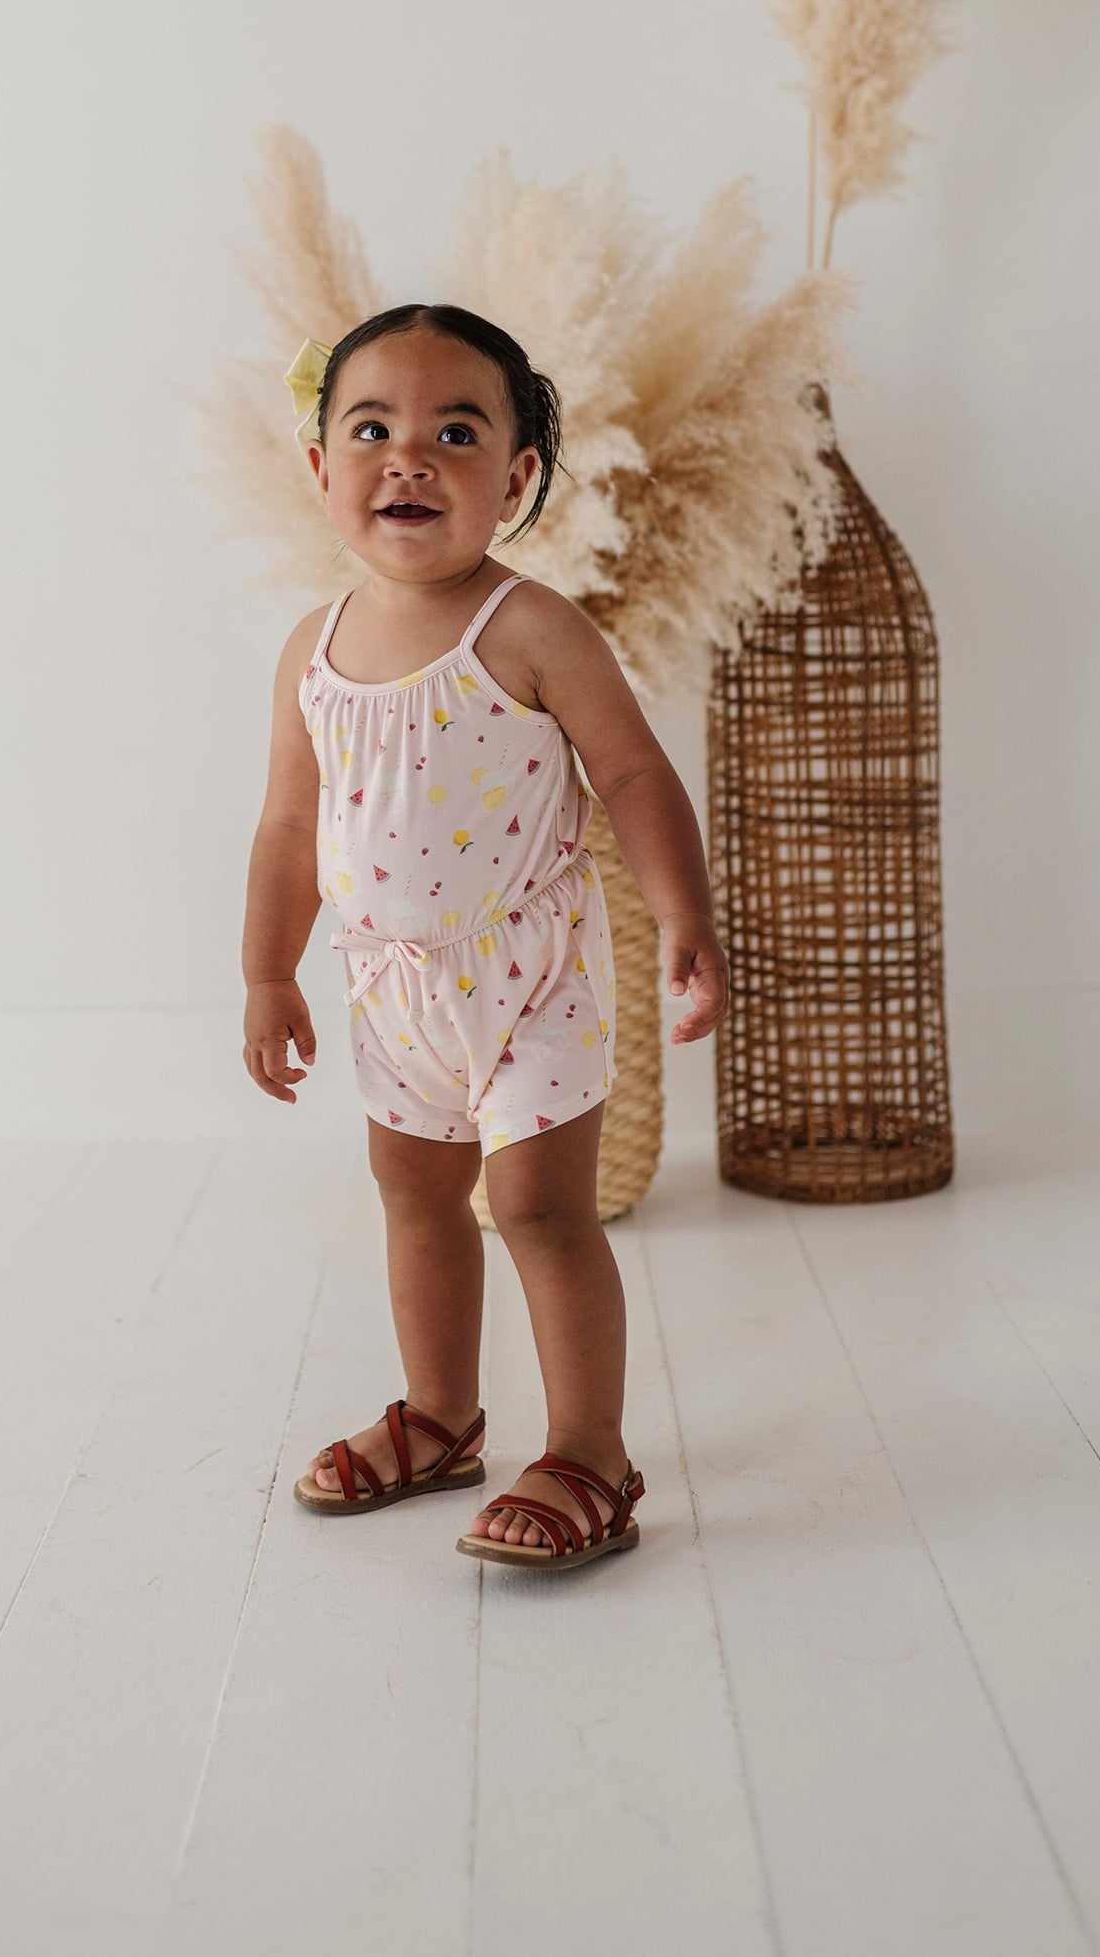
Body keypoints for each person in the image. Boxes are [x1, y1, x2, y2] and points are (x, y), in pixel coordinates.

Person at [241, 303, 729, 1572]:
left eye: (454, 433)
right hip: (391, 989)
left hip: (530, 974)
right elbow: (289, 825)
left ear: (514, 481)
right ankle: (443, 1417)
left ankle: (590, 1451)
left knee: (537, 1206)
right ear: (321, 466)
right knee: (413, 1196)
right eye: (372, 429)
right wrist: (266, 970)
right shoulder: (310, 651)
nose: (408, 457)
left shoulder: (527, 628)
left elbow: (632, 774)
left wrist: (684, 912)